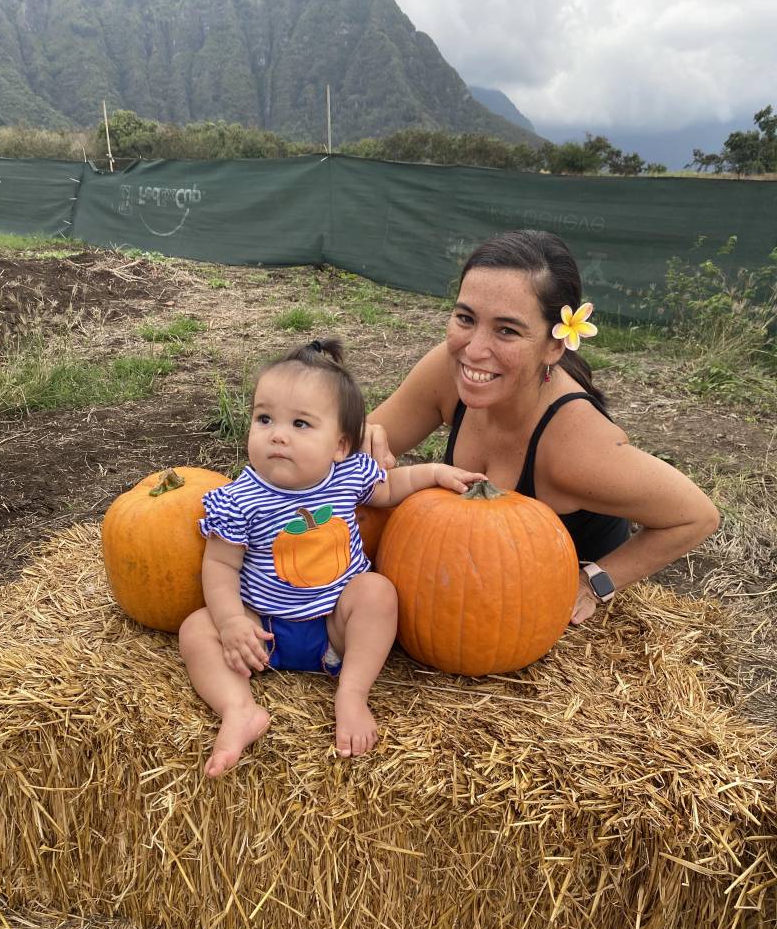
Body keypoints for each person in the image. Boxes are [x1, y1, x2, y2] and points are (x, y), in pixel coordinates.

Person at [363, 230, 720, 624]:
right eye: (466, 318)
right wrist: (362, 440)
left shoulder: (576, 449)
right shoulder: (448, 372)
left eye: (507, 330)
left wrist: (594, 581)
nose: (474, 349)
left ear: (554, 346)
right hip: (465, 573)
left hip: (531, 606)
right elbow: (351, 449)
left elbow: (696, 516)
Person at [179, 339, 484, 776]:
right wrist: (230, 624)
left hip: (332, 629)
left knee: (377, 592)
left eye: (301, 424)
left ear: (340, 445)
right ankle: (238, 708)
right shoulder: (237, 498)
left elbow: (391, 488)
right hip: (261, 633)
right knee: (195, 629)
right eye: (264, 419)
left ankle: (352, 692)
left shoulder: (348, 475)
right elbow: (221, 566)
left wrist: (434, 473)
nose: (277, 434)